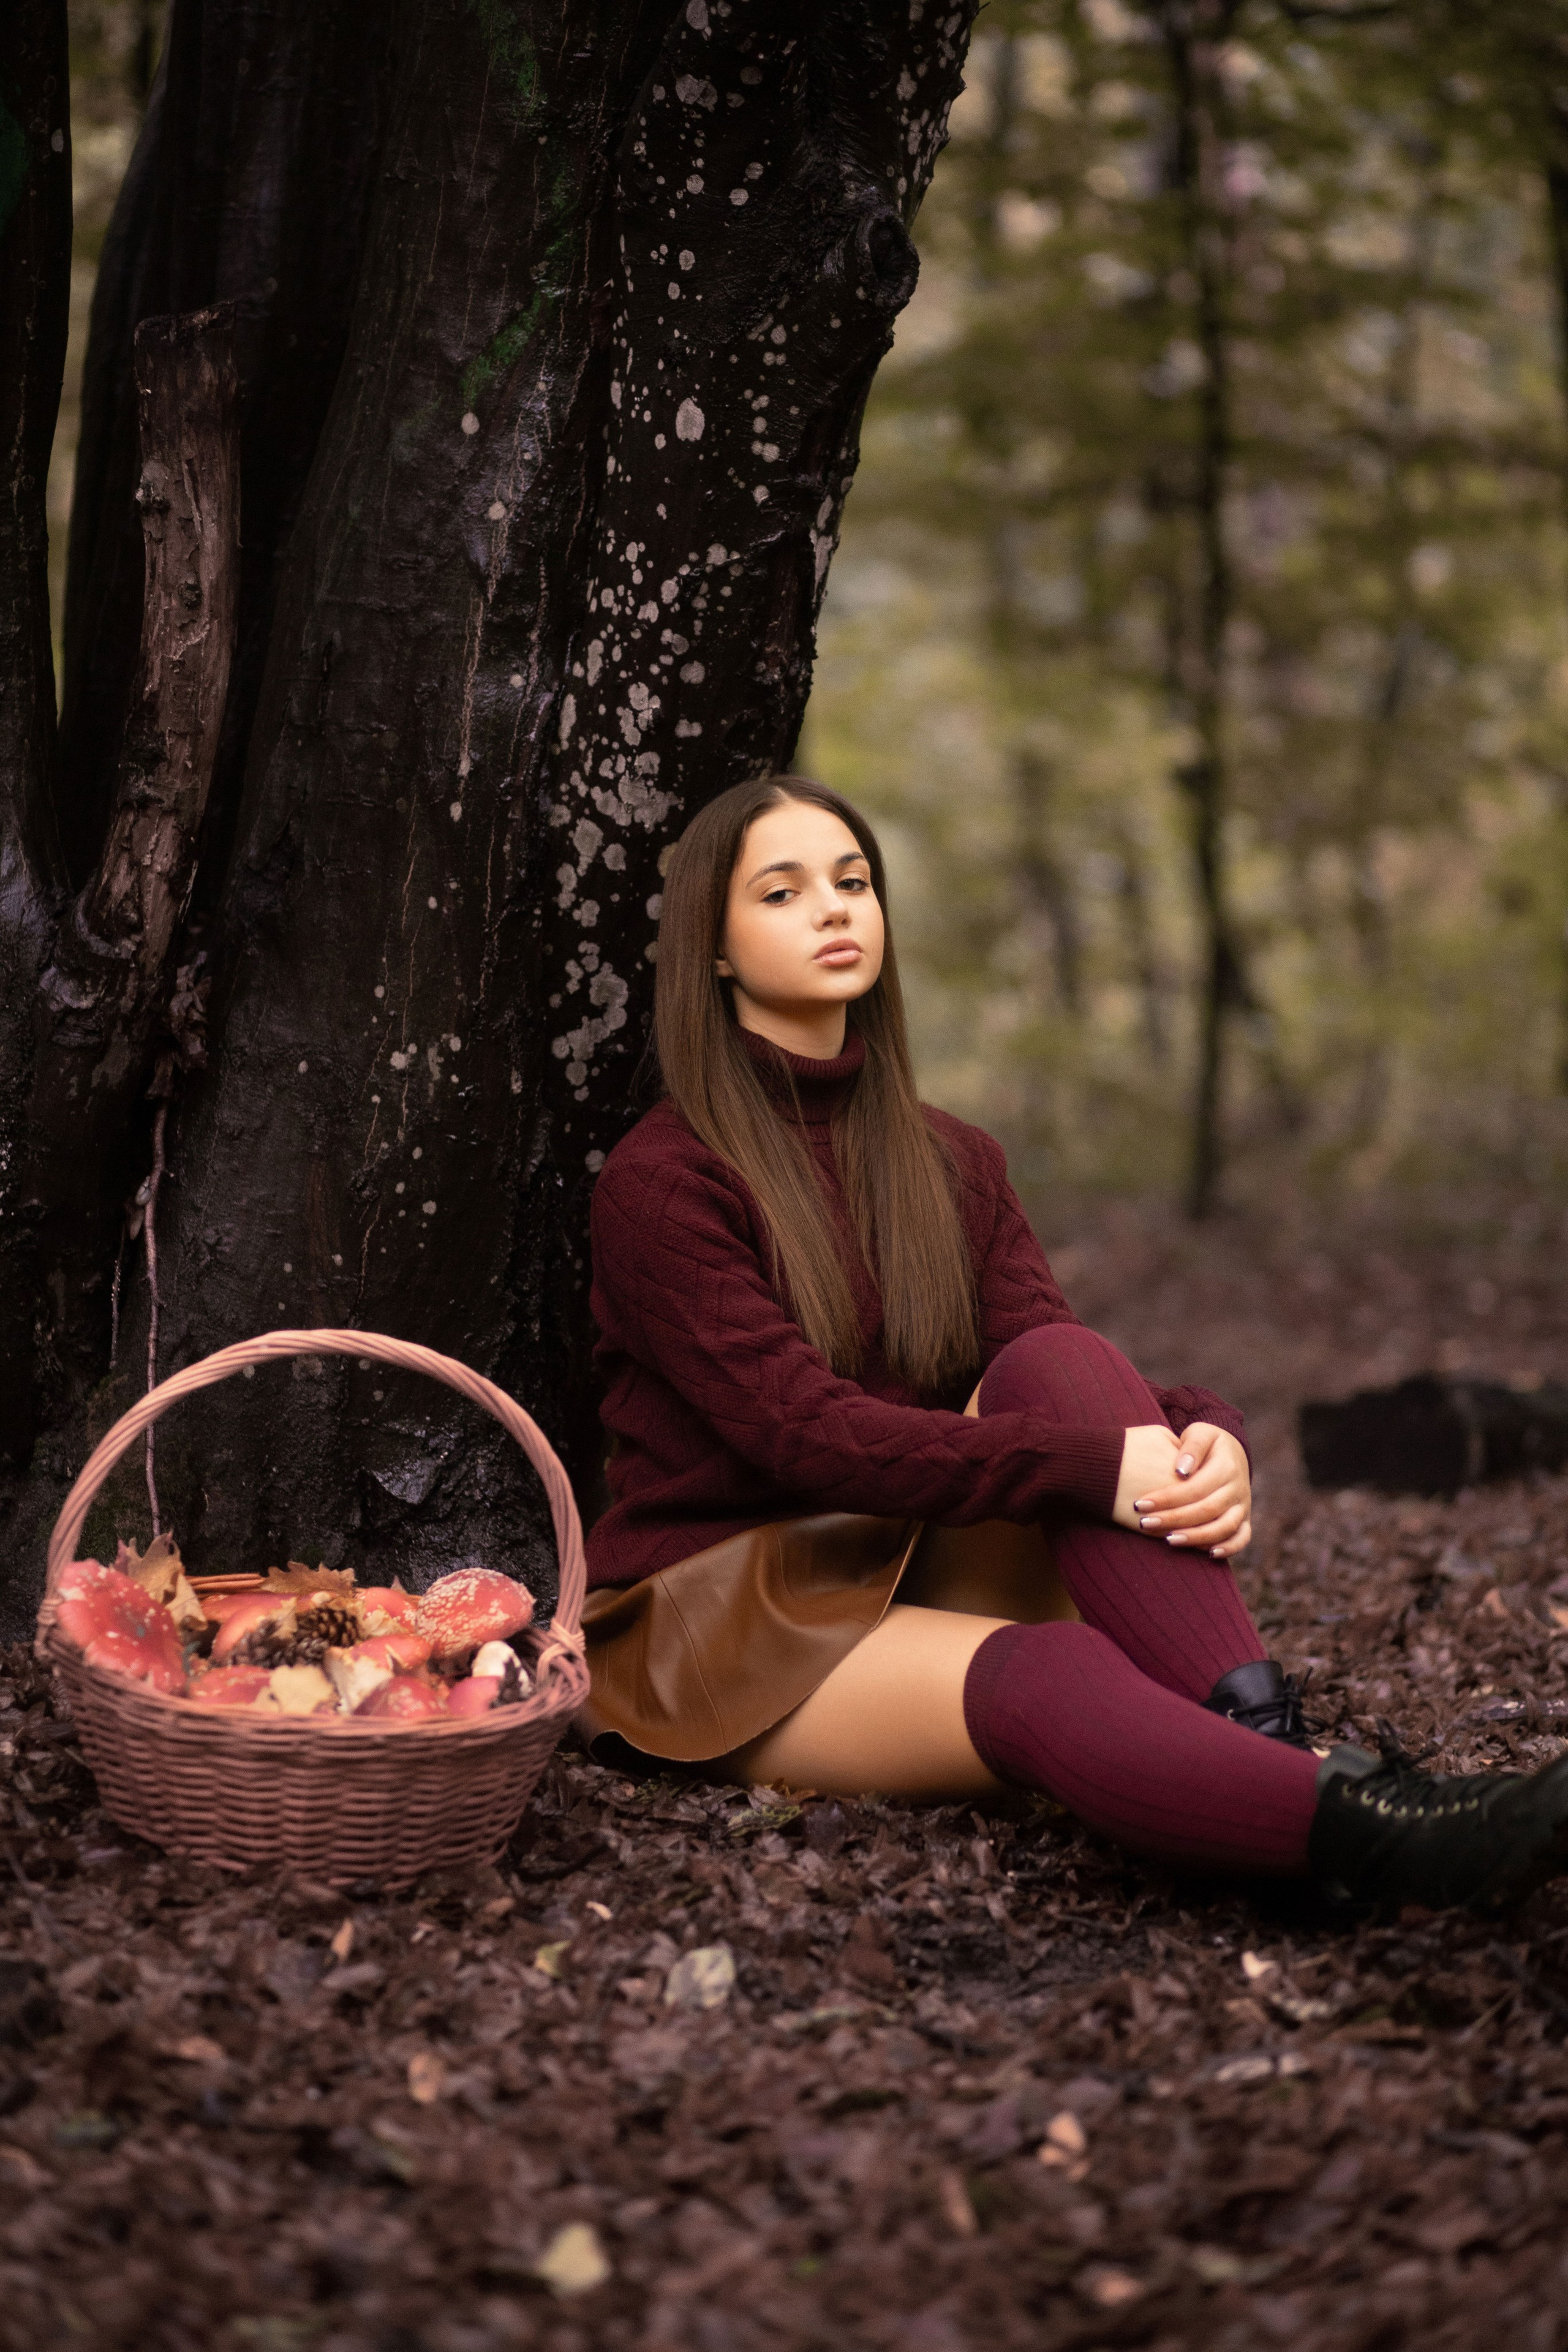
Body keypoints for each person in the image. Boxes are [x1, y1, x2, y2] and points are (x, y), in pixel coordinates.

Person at [580, 774, 1568, 1914]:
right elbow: (806, 1437)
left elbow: (1063, 1373)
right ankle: (1378, 1839)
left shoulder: (952, 1160)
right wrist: (1102, 1465)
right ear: (713, 947)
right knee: (1053, 1673)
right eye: (785, 891)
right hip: (730, 1620)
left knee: (1060, 1364)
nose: (834, 909)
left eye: (853, 881)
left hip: (900, 1546)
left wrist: (1208, 1433)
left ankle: (1267, 1744)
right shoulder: (666, 1182)